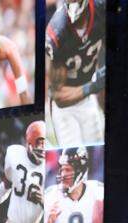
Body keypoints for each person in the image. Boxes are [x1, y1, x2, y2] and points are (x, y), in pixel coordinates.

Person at [46, 0, 107, 146]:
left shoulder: (101, 9)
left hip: (88, 101)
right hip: (66, 111)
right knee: (74, 158)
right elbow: (58, 96)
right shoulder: (57, 31)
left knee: (97, 154)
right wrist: (93, 86)